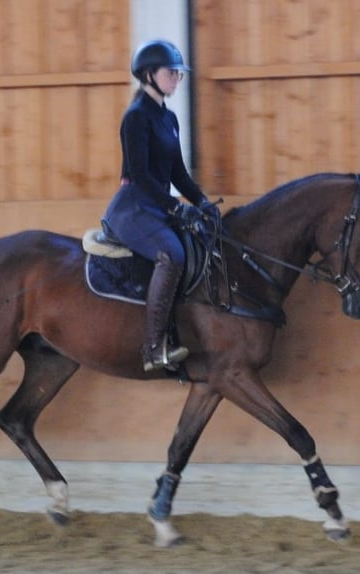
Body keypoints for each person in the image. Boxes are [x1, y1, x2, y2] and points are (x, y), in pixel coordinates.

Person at [102, 39, 220, 372]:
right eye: (172, 73)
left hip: (154, 204)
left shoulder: (168, 118)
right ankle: (154, 347)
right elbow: (139, 176)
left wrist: (201, 202)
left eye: (179, 75)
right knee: (172, 254)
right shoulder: (136, 117)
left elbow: (178, 173)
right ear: (149, 74)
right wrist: (175, 208)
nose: (177, 80)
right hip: (133, 206)